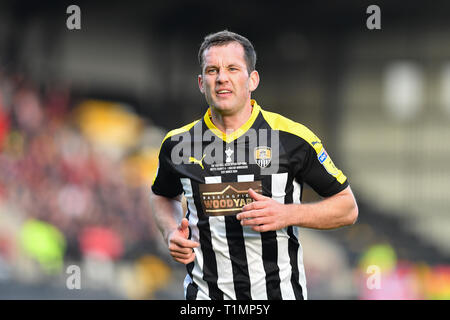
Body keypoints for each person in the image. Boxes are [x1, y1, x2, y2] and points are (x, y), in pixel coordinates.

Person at [150, 30, 358, 300]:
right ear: (201, 83)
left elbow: (347, 208)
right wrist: (169, 232)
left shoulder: (292, 138)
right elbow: (161, 195)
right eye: (212, 70)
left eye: (232, 68)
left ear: (253, 80)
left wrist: (287, 214)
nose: (222, 77)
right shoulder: (177, 144)